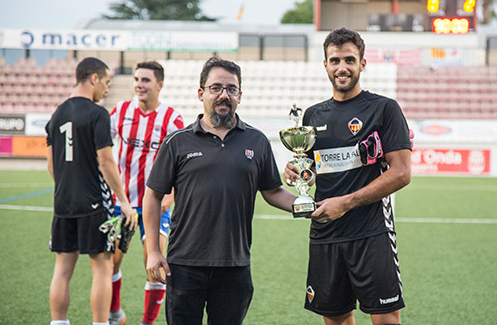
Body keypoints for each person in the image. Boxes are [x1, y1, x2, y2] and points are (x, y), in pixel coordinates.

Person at [143, 56, 297, 325]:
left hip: (234, 265)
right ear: (201, 93)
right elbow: (153, 196)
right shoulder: (177, 141)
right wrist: (154, 251)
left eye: (231, 89)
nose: (224, 94)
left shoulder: (257, 141)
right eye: (216, 88)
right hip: (184, 264)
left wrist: (306, 206)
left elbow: (273, 191)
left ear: (240, 95)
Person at [283, 28, 412, 325]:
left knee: (386, 319)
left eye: (350, 60)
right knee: (336, 319)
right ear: (325, 65)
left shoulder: (384, 109)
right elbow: (314, 169)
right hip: (325, 232)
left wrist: (346, 202)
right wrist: (299, 173)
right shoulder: (312, 116)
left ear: (362, 64)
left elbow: (402, 173)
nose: (342, 67)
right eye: (335, 60)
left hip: (371, 232)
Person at [46, 57, 137, 325]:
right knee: (102, 268)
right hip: (94, 204)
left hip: (63, 203)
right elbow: (107, 162)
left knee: (62, 269)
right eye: (106, 82)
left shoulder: (57, 114)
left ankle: (58, 322)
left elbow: (52, 165)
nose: (107, 89)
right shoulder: (98, 114)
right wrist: (123, 201)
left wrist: (67, 190)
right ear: (93, 78)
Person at [108, 60, 184, 325]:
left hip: (155, 206)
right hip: (122, 203)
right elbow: (103, 151)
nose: (139, 85)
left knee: (154, 266)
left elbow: (182, 164)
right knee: (111, 263)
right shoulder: (119, 112)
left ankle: (147, 322)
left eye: (146, 80)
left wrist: (171, 197)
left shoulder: (171, 119)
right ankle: (115, 313)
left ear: (159, 85)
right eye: (137, 79)